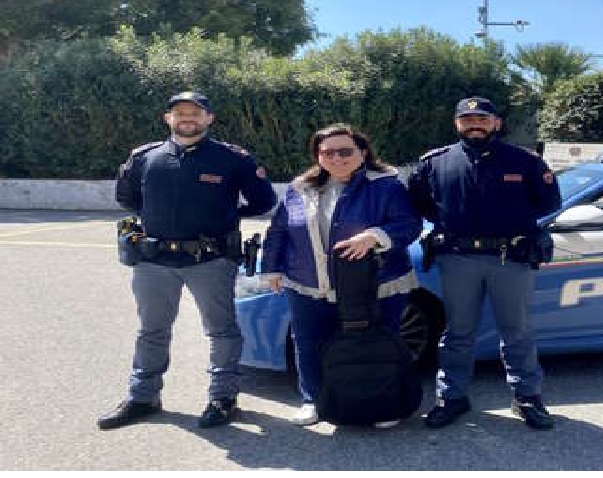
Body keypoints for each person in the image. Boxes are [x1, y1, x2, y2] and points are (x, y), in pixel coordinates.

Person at [99, 91, 278, 430]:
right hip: (153, 261)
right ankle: (142, 397)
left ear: (209, 118)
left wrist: (226, 214)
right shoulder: (145, 157)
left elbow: (263, 200)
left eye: (196, 112)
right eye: (180, 112)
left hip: (210, 260)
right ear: (168, 118)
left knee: (221, 331)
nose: (187, 118)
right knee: (151, 330)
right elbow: (128, 198)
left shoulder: (232, 158)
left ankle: (223, 398)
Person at [407, 97, 563, 430]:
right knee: (458, 332)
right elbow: (421, 204)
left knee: (517, 331)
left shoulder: (526, 161)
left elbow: (548, 202)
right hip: (458, 258)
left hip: (511, 258)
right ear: (457, 124)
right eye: (467, 119)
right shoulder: (435, 163)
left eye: (482, 118)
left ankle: (527, 397)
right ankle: (452, 397)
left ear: (496, 123)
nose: (474, 125)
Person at [259, 124, 422, 427]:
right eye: (327, 152)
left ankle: (384, 404)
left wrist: (374, 236)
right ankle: (313, 400)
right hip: (308, 283)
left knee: (377, 342)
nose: (337, 158)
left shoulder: (386, 186)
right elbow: (279, 230)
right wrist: (271, 268)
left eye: (345, 151)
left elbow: (409, 224)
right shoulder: (299, 189)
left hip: (378, 284)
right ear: (318, 156)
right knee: (308, 342)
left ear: (363, 152)